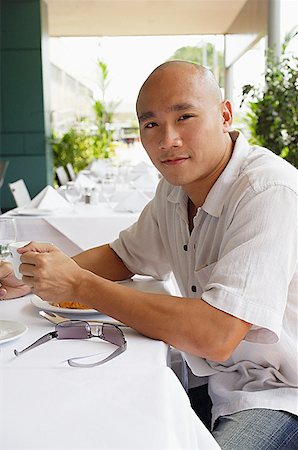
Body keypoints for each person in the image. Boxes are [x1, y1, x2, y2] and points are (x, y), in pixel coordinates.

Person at [0, 61, 297, 449]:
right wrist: (29, 278)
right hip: (207, 376)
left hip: (278, 392)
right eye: (151, 124)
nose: (167, 139)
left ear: (225, 115)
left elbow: (215, 334)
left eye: (185, 116)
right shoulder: (174, 191)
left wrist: (78, 283)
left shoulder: (268, 192)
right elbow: (123, 255)